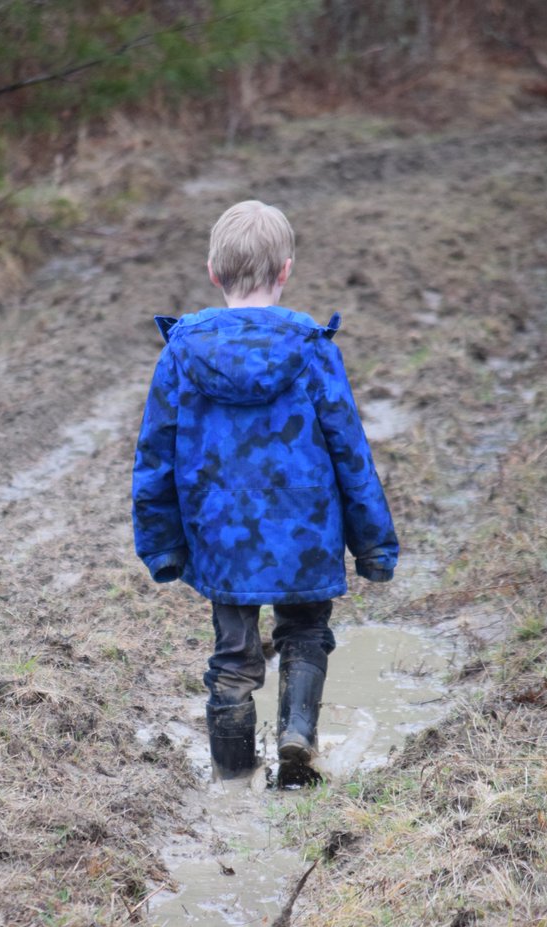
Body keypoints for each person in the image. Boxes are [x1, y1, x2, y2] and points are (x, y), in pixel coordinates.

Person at [132, 200, 398, 782]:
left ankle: (230, 782)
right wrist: (373, 544)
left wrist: (161, 542)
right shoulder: (312, 348)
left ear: (211, 271)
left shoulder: (181, 351)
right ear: (285, 270)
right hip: (304, 527)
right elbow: (350, 451)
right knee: (305, 630)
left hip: (219, 532)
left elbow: (154, 455)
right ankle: (297, 742)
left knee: (232, 657)